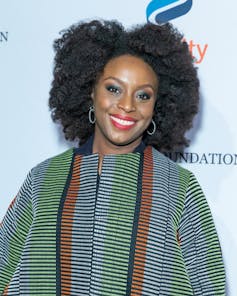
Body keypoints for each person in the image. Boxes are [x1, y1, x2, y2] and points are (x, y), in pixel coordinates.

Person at [0, 20, 225, 295]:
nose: (128, 105)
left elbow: (209, 286)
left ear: (158, 106)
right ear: (90, 91)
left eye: (143, 95)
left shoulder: (179, 187)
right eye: (113, 89)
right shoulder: (43, 179)